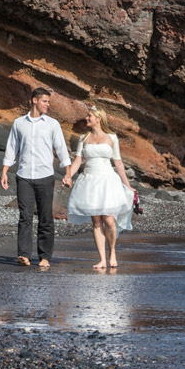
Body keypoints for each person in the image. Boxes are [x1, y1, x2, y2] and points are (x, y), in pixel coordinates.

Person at [1, 87, 72, 269]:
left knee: (45, 217)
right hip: (24, 176)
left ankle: (44, 256)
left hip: (45, 176)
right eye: (45, 101)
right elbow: (11, 148)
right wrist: (4, 171)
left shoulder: (52, 124)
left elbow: (61, 149)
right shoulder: (19, 123)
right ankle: (23, 255)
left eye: (48, 102)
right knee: (24, 216)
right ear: (34, 100)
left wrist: (68, 173)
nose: (48, 105)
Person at [64, 106, 136, 269]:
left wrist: (128, 185)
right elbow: (78, 161)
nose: (86, 118)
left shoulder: (112, 137)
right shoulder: (83, 138)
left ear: (98, 119)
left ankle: (112, 252)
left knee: (109, 220)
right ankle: (102, 258)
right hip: (90, 181)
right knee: (96, 221)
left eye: (89, 116)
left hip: (107, 180)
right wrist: (69, 175)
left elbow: (118, 162)